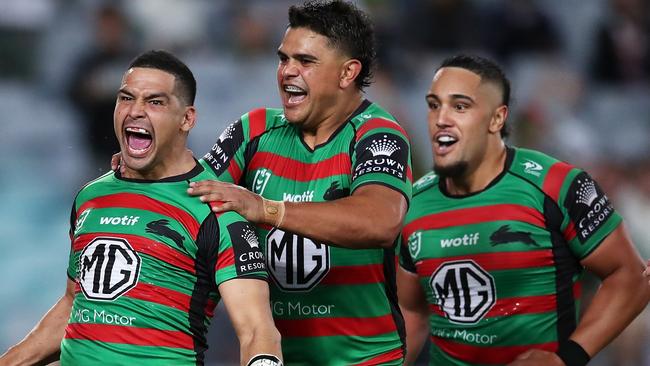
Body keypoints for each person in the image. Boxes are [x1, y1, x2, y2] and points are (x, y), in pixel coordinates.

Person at [0, 50, 281, 366]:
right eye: (126, 98)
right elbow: (74, 303)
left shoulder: (217, 209)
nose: (135, 111)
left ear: (187, 118)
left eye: (155, 102)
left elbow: (258, 330)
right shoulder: (90, 197)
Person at [186, 1, 412, 364]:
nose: (287, 72)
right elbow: (190, 198)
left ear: (347, 73)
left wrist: (265, 209)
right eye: (283, 59)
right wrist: (151, 167)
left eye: (305, 62)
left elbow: (381, 220)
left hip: (364, 359)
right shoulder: (253, 130)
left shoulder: (377, 135)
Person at [397, 54, 650, 366]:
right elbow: (411, 311)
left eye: (460, 106)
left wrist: (564, 359)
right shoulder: (413, 203)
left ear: (496, 119)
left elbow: (631, 276)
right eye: (434, 105)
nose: (441, 119)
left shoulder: (557, 186)